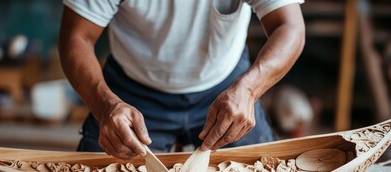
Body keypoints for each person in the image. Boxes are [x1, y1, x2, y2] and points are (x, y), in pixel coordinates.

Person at [58, 0, 305, 160]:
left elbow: (290, 26)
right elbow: (77, 37)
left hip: (227, 84)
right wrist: (104, 107)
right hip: (131, 92)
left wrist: (249, 90)